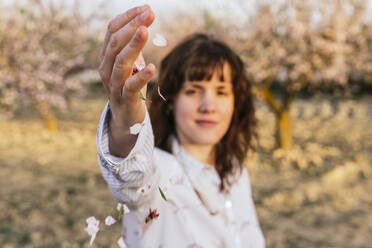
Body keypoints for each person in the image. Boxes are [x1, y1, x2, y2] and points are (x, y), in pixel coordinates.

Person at [96, 4, 265, 248]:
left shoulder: (236, 171)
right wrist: (126, 119)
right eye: (193, 91)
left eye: (221, 92)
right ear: (171, 101)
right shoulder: (161, 173)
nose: (209, 105)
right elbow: (132, 175)